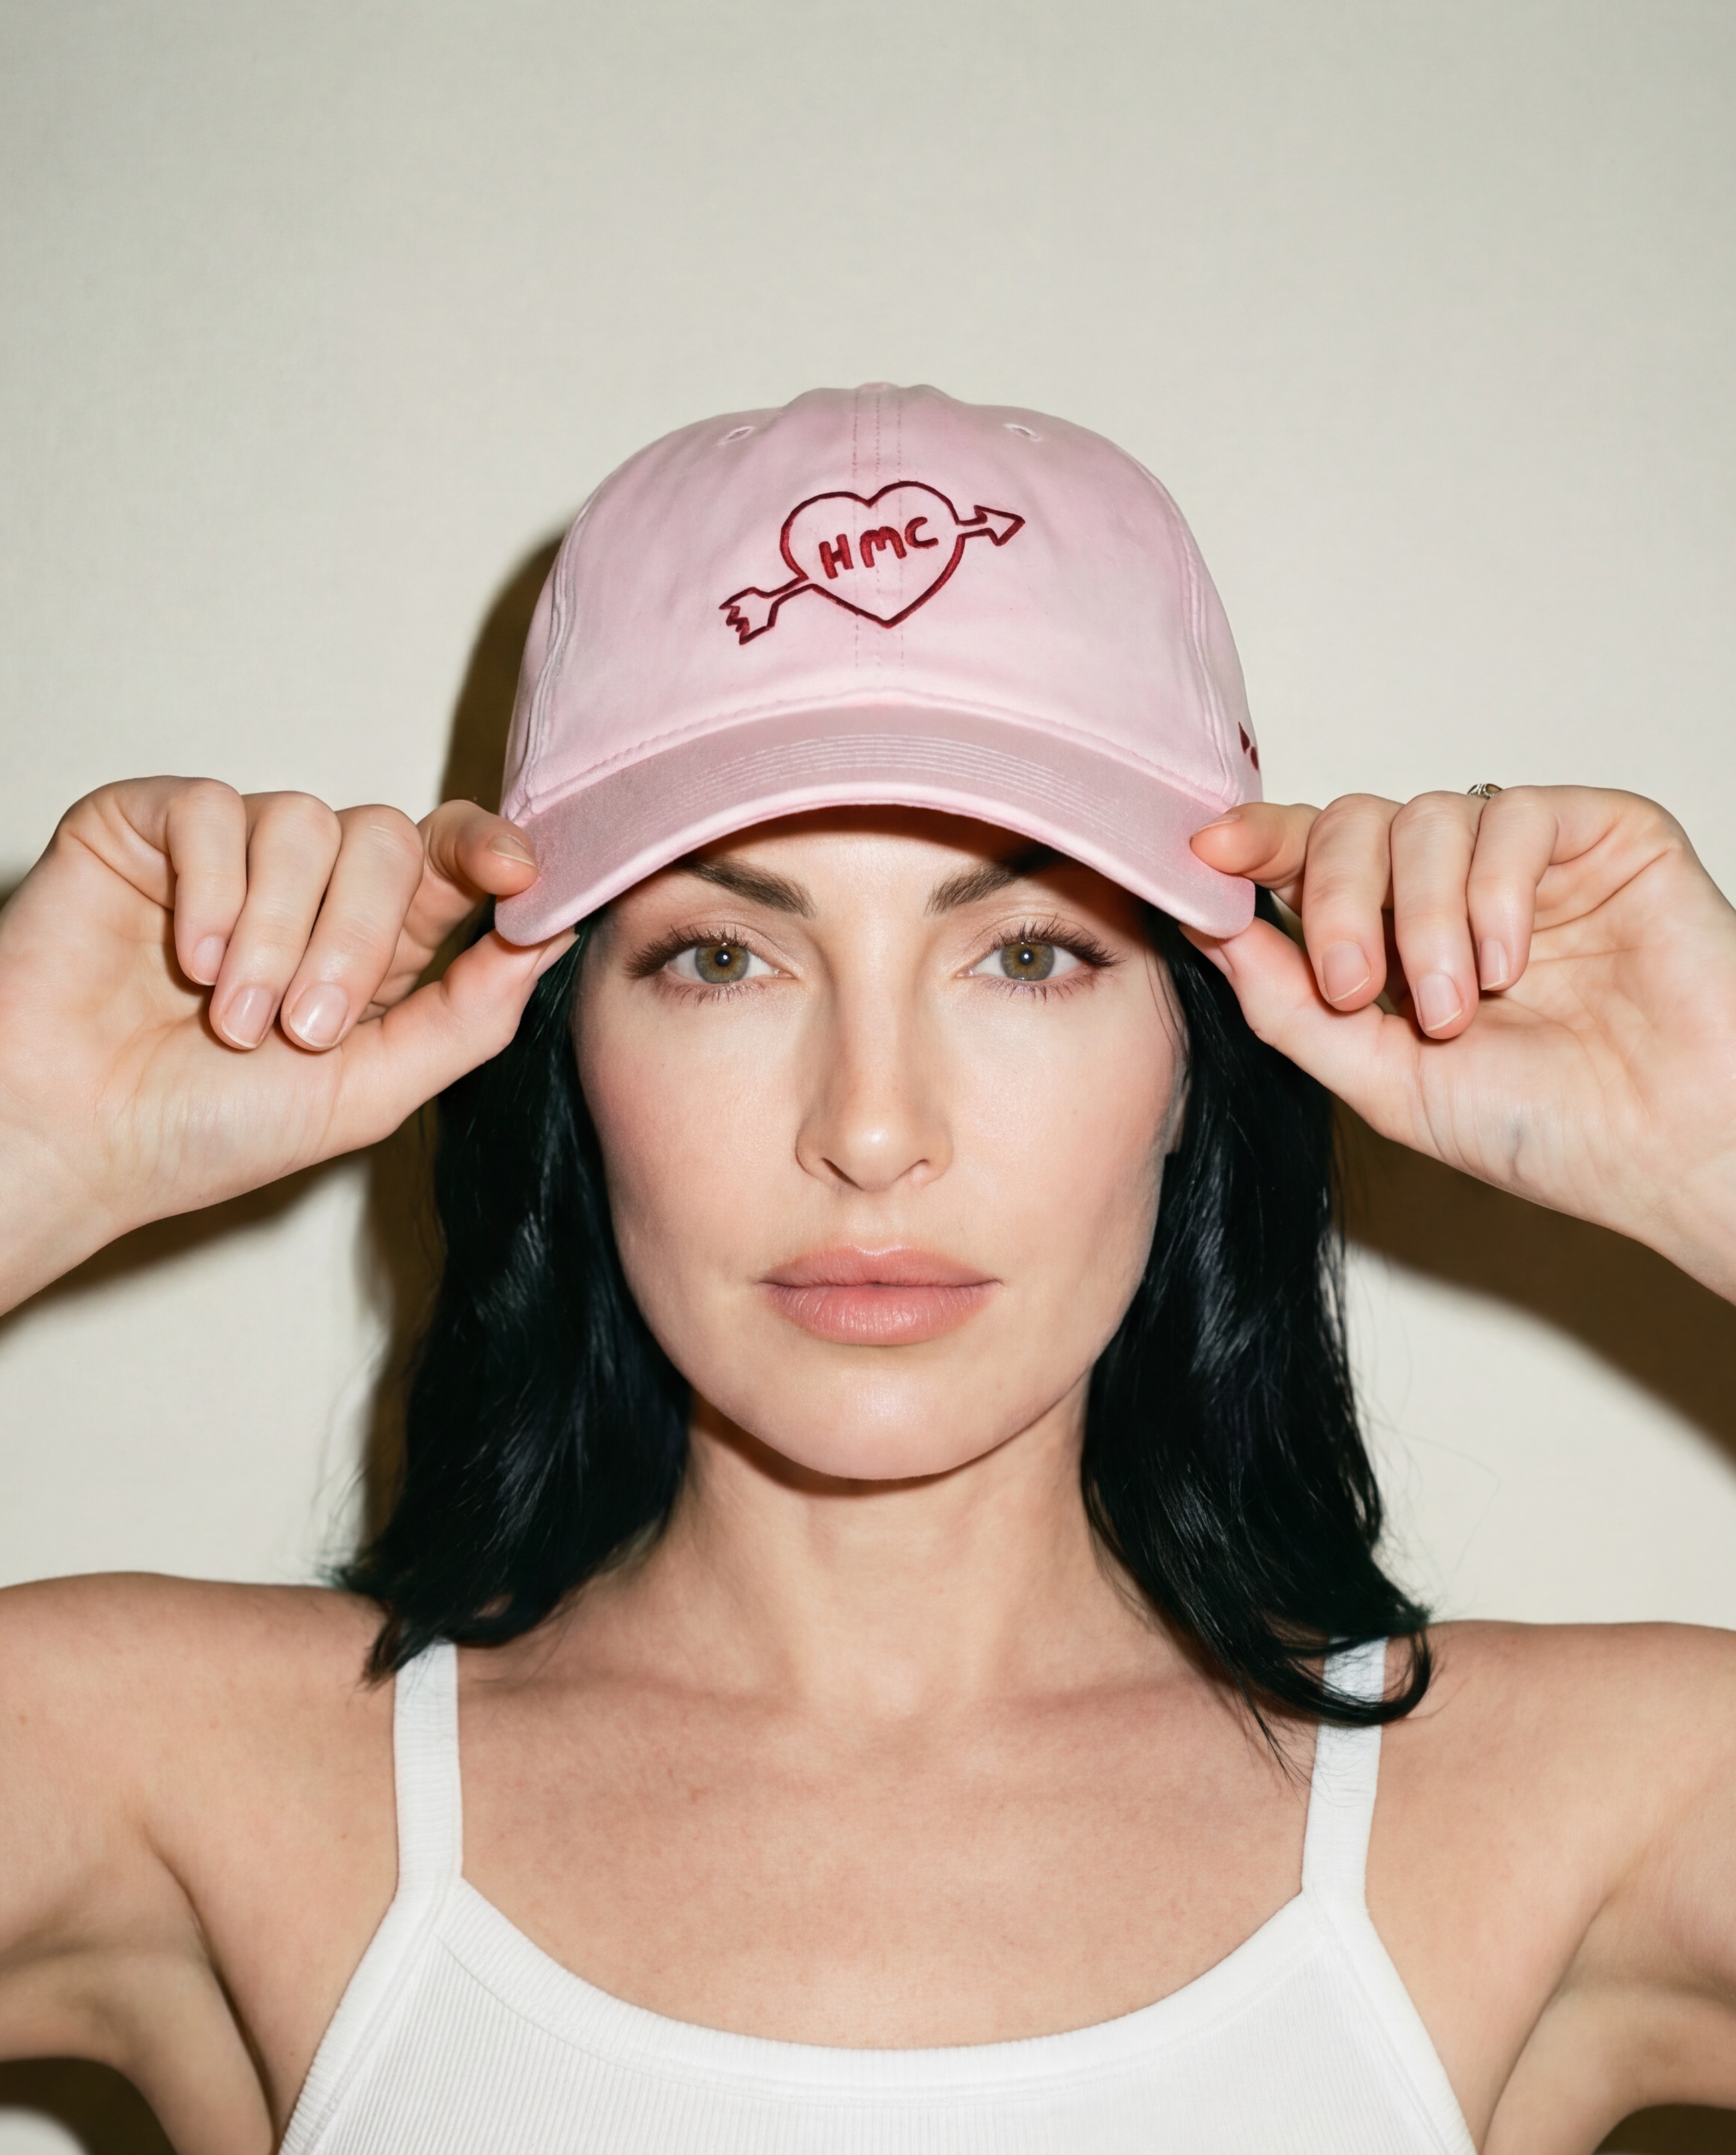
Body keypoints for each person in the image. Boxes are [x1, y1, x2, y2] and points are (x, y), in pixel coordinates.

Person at [1, 385, 1734, 2155]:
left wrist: (1715, 1132)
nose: (874, 1128)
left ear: (1198, 1056)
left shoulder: (1574, 1812)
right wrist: (23, 1134)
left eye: (1034, 954)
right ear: (558, 1049)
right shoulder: (187, 1779)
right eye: (719, 962)